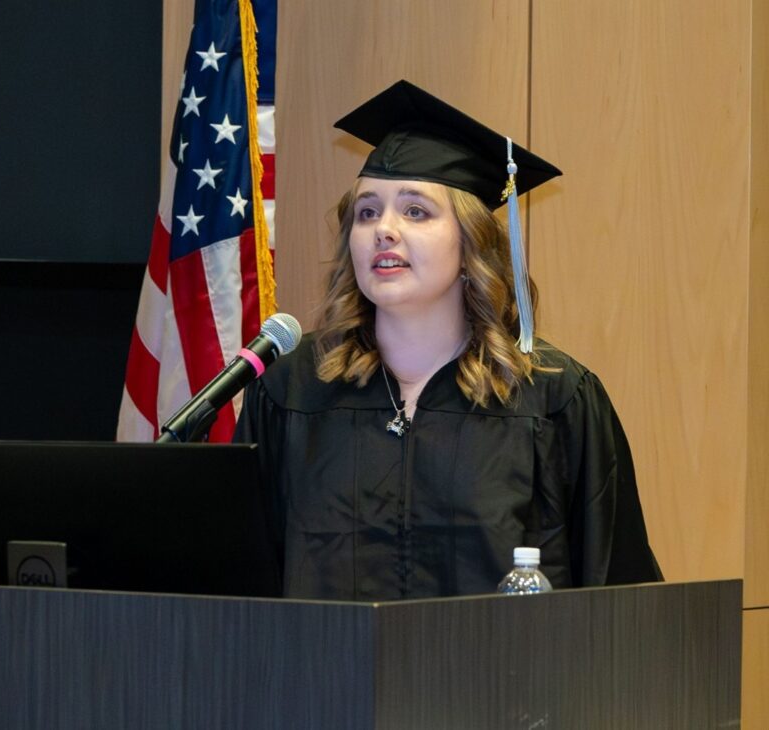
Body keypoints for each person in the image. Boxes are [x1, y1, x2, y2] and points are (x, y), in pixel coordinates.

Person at [234, 80, 662, 601]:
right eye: (367, 212)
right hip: (322, 680)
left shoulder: (554, 398)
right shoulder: (292, 391)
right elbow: (240, 594)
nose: (383, 230)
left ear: (471, 241)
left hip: (497, 680)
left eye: (415, 211)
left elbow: (618, 594)